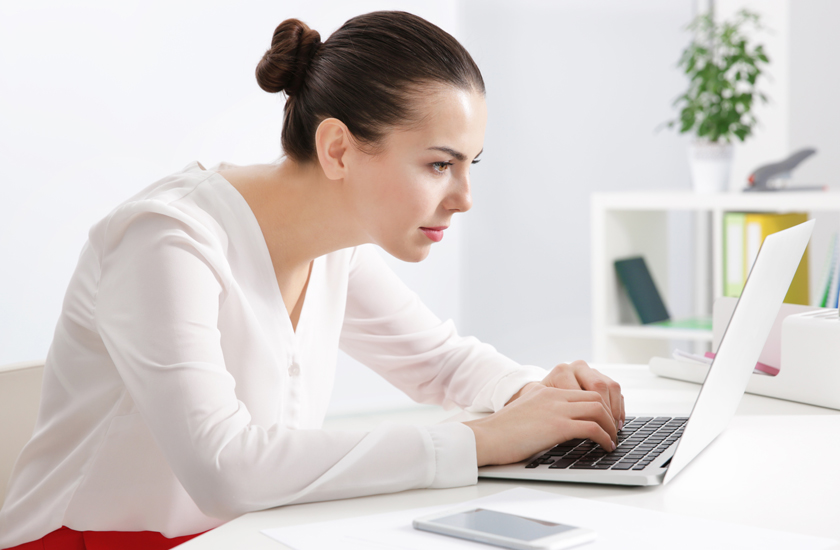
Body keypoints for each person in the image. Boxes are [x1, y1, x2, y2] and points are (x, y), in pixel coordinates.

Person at [0, 11, 624, 550]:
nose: (463, 199)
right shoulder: (166, 240)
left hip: (240, 535)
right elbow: (225, 470)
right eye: (439, 164)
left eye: (469, 165)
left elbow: (437, 362)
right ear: (337, 149)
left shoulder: (336, 247)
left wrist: (537, 397)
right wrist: (479, 439)